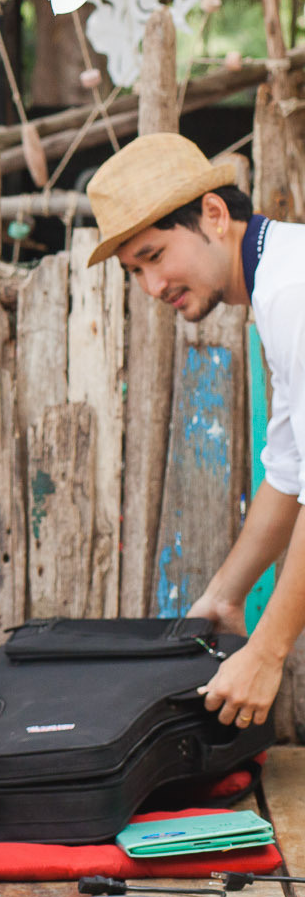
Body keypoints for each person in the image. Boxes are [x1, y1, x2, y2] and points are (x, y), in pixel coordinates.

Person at [90, 132, 305, 729]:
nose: (152, 289)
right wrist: (226, 595)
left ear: (214, 214)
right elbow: (289, 470)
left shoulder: (294, 294)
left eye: (154, 256)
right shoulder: (281, 281)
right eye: (135, 271)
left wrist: (266, 651)